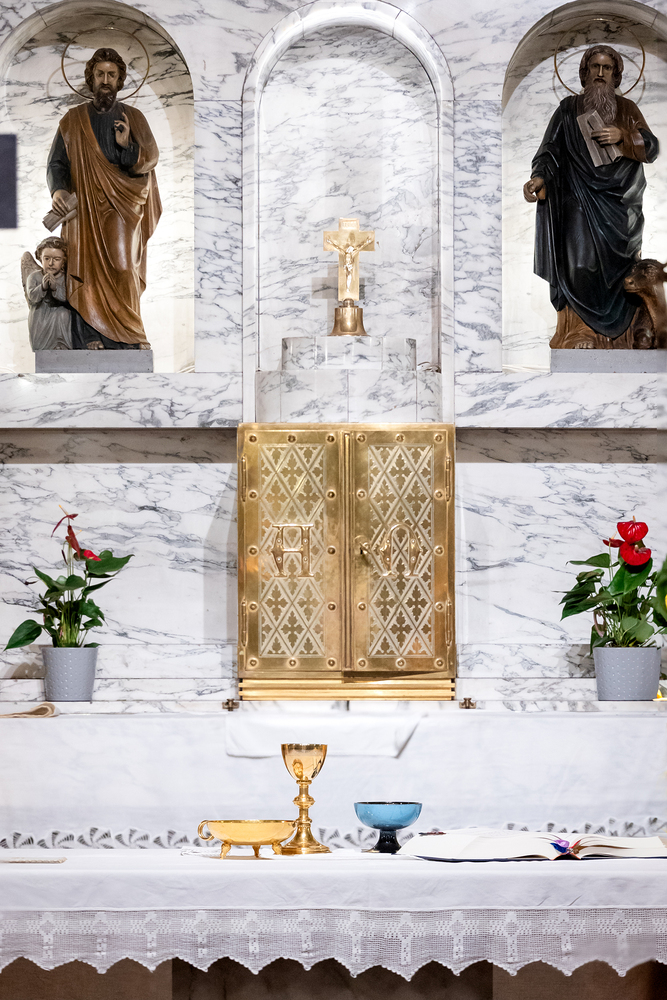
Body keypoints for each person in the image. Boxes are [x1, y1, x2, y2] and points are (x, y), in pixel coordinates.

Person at [524, 45, 659, 348]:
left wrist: (623, 136)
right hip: (578, 199)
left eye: (607, 68)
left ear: (616, 75)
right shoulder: (568, 109)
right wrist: (539, 177)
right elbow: (550, 151)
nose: (600, 73)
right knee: (579, 266)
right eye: (595, 67)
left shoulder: (627, 109)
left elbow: (651, 148)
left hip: (620, 204)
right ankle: (580, 330)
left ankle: (624, 335)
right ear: (585, 74)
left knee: (624, 273)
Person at [47, 47, 161, 350]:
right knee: (83, 269)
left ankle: (130, 333)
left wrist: (127, 147)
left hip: (122, 205)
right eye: (100, 74)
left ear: (119, 80)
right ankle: (89, 335)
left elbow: (150, 158)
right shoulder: (72, 120)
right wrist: (59, 190)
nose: (106, 80)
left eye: (112, 74)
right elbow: (57, 163)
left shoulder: (134, 117)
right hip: (84, 206)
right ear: (92, 79)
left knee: (124, 267)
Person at [24, 237, 72, 351]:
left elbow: (69, 299)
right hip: (40, 314)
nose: (51, 263)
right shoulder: (34, 276)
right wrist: (43, 287)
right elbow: (31, 298)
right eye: (46, 258)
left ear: (63, 261)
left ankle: (62, 344)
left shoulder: (66, 277)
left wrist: (55, 288)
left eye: (56, 259)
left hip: (60, 315)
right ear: (40, 258)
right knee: (39, 318)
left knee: (63, 314)